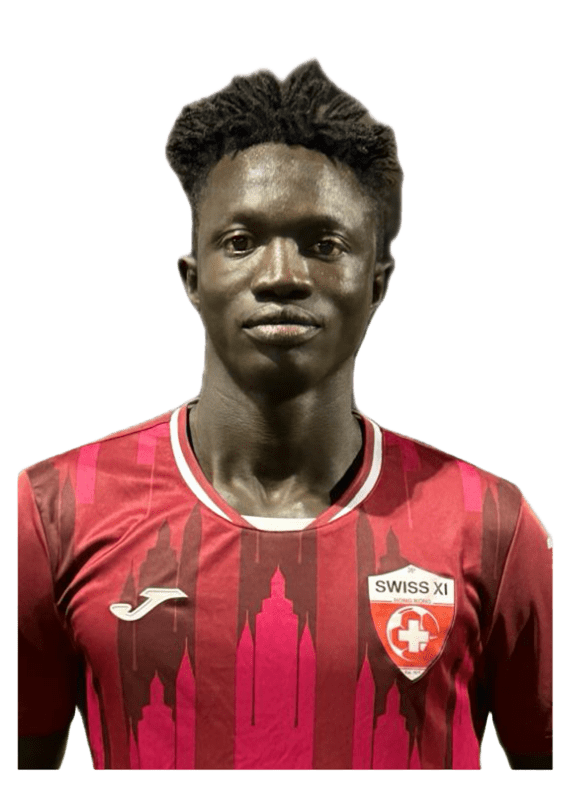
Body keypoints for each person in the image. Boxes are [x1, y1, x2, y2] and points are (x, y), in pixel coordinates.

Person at [17, 58, 553, 771]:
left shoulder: (493, 527)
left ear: (378, 282)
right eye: (240, 242)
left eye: (323, 245)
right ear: (193, 278)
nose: (281, 277)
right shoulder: (52, 511)